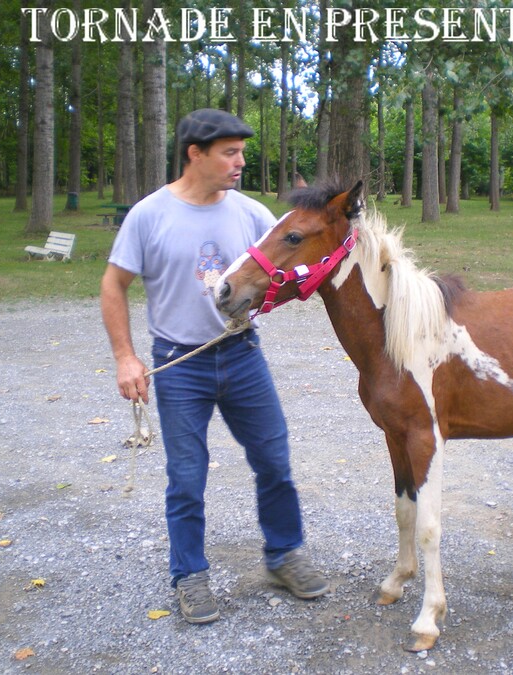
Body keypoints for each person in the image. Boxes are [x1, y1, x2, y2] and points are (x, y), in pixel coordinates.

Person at [100, 108, 329, 624]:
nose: (240, 161)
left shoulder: (249, 213)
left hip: (243, 354)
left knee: (274, 461)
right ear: (195, 154)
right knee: (186, 476)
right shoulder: (149, 215)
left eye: (242, 151)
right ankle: (190, 574)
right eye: (230, 152)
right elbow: (113, 285)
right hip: (179, 364)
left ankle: (284, 555)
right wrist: (125, 357)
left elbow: (289, 268)